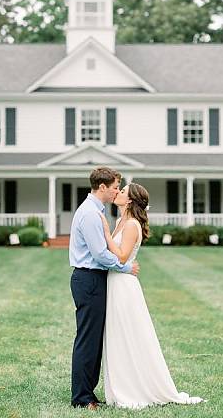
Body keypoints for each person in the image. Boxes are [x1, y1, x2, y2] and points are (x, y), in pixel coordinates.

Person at [100, 182, 206, 409]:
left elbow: (121, 258)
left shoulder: (130, 225)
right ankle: (121, 385)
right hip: (114, 283)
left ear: (129, 200)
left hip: (124, 285)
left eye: (122, 191)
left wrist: (106, 234)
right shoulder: (120, 221)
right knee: (118, 335)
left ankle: (134, 389)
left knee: (128, 335)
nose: (117, 192)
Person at [69, 167, 140, 410]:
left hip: (94, 279)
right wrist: (124, 267)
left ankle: (88, 393)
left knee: (94, 340)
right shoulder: (90, 214)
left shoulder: (96, 211)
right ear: (102, 187)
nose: (115, 192)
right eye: (113, 188)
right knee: (88, 339)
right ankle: (81, 398)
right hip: (88, 279)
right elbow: (99, 253)